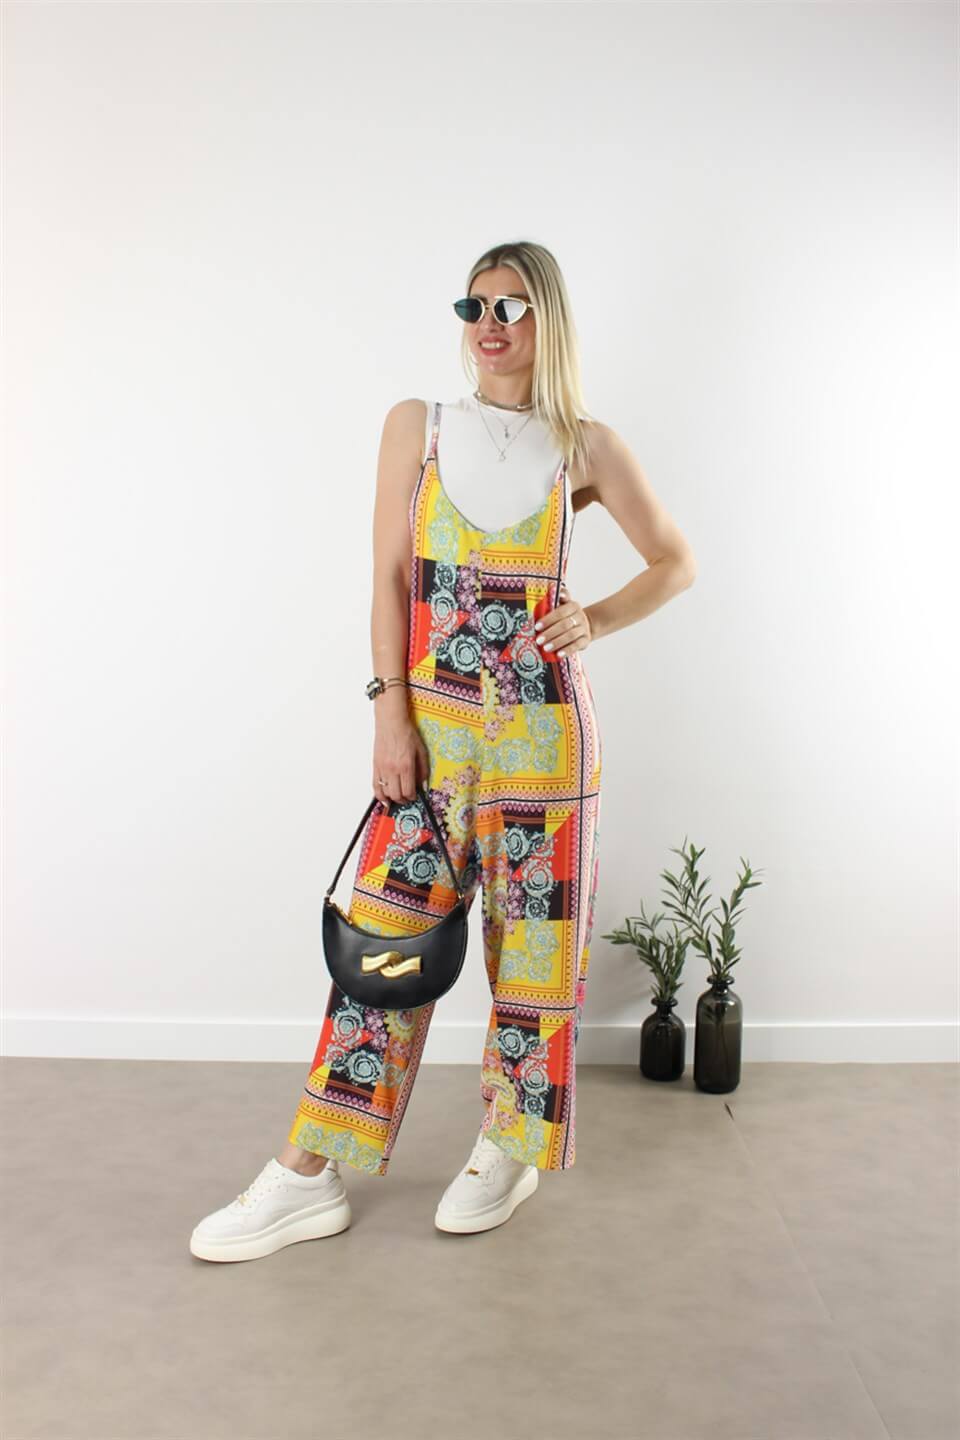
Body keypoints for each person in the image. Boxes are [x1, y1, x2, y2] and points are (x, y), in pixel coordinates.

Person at [190, 240, 697, 1262]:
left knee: (536, 962)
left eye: (512, 305)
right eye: (475, 305)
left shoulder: (584, 445)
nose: (489, 323)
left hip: (547, 742)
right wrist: (390, 714)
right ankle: (307, 1173)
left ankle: (509, 1148)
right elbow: (388, 579)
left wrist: (594, 618)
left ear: (548, 319)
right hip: (430, 739)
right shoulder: (416, 427)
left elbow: (675, 561)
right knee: (383, 952)